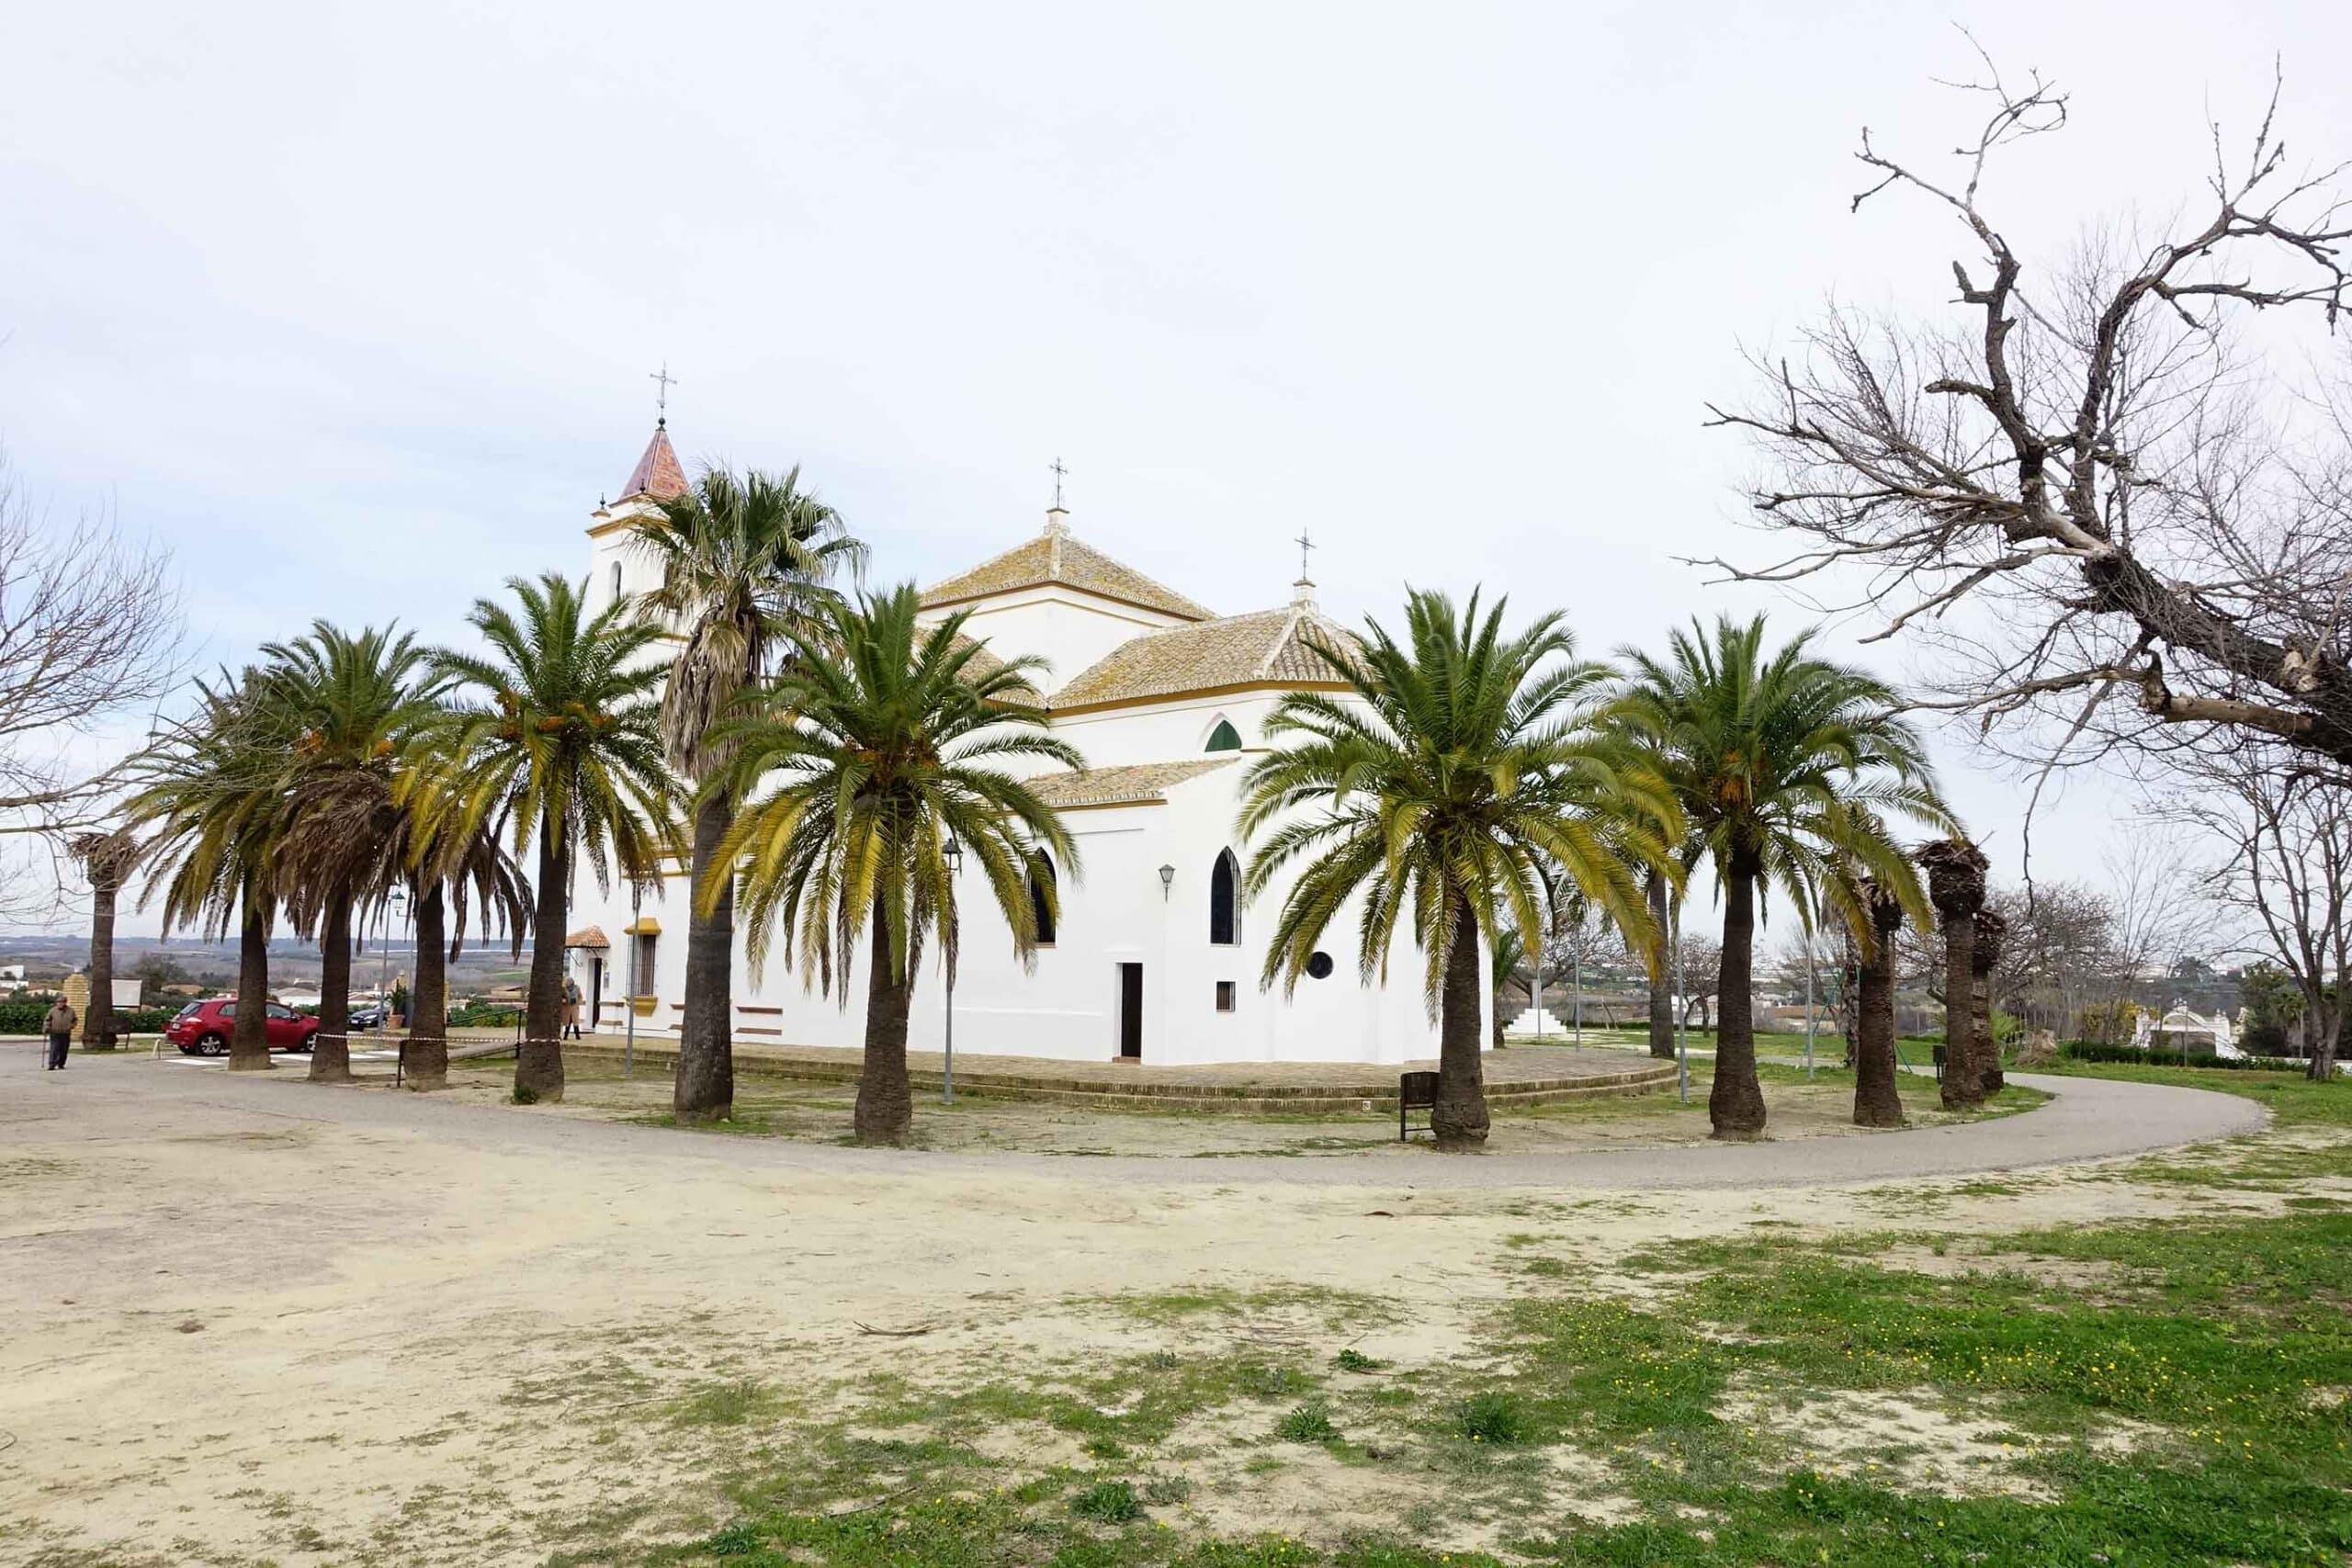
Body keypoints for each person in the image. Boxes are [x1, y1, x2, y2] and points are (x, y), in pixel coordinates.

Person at [45, 997, 76, 1070]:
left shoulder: (71, 1011)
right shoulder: (53, 1010)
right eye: (58, 1002)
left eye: (61, 1002)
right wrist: (47, 1027)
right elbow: (47, 1019)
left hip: (66, 1032)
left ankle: (61, 1064)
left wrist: (71, 1026)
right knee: (54, 1048)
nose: (59, 1004)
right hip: (55, 1032)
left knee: (64, 1049)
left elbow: (75, 1020)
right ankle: (52, 1064)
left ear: (65, 1003)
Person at [561, 976, 582, 1041]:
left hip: (574, 1007)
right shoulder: (564, 988)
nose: (567, 984)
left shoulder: (577, 988)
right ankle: (565, 1036)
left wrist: (578, 1002)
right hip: (567, 1007)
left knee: (575, 1022)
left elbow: (580, 996)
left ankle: (577, 1035)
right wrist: (563, 1000)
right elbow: (561, 996)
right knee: (568, 1022)